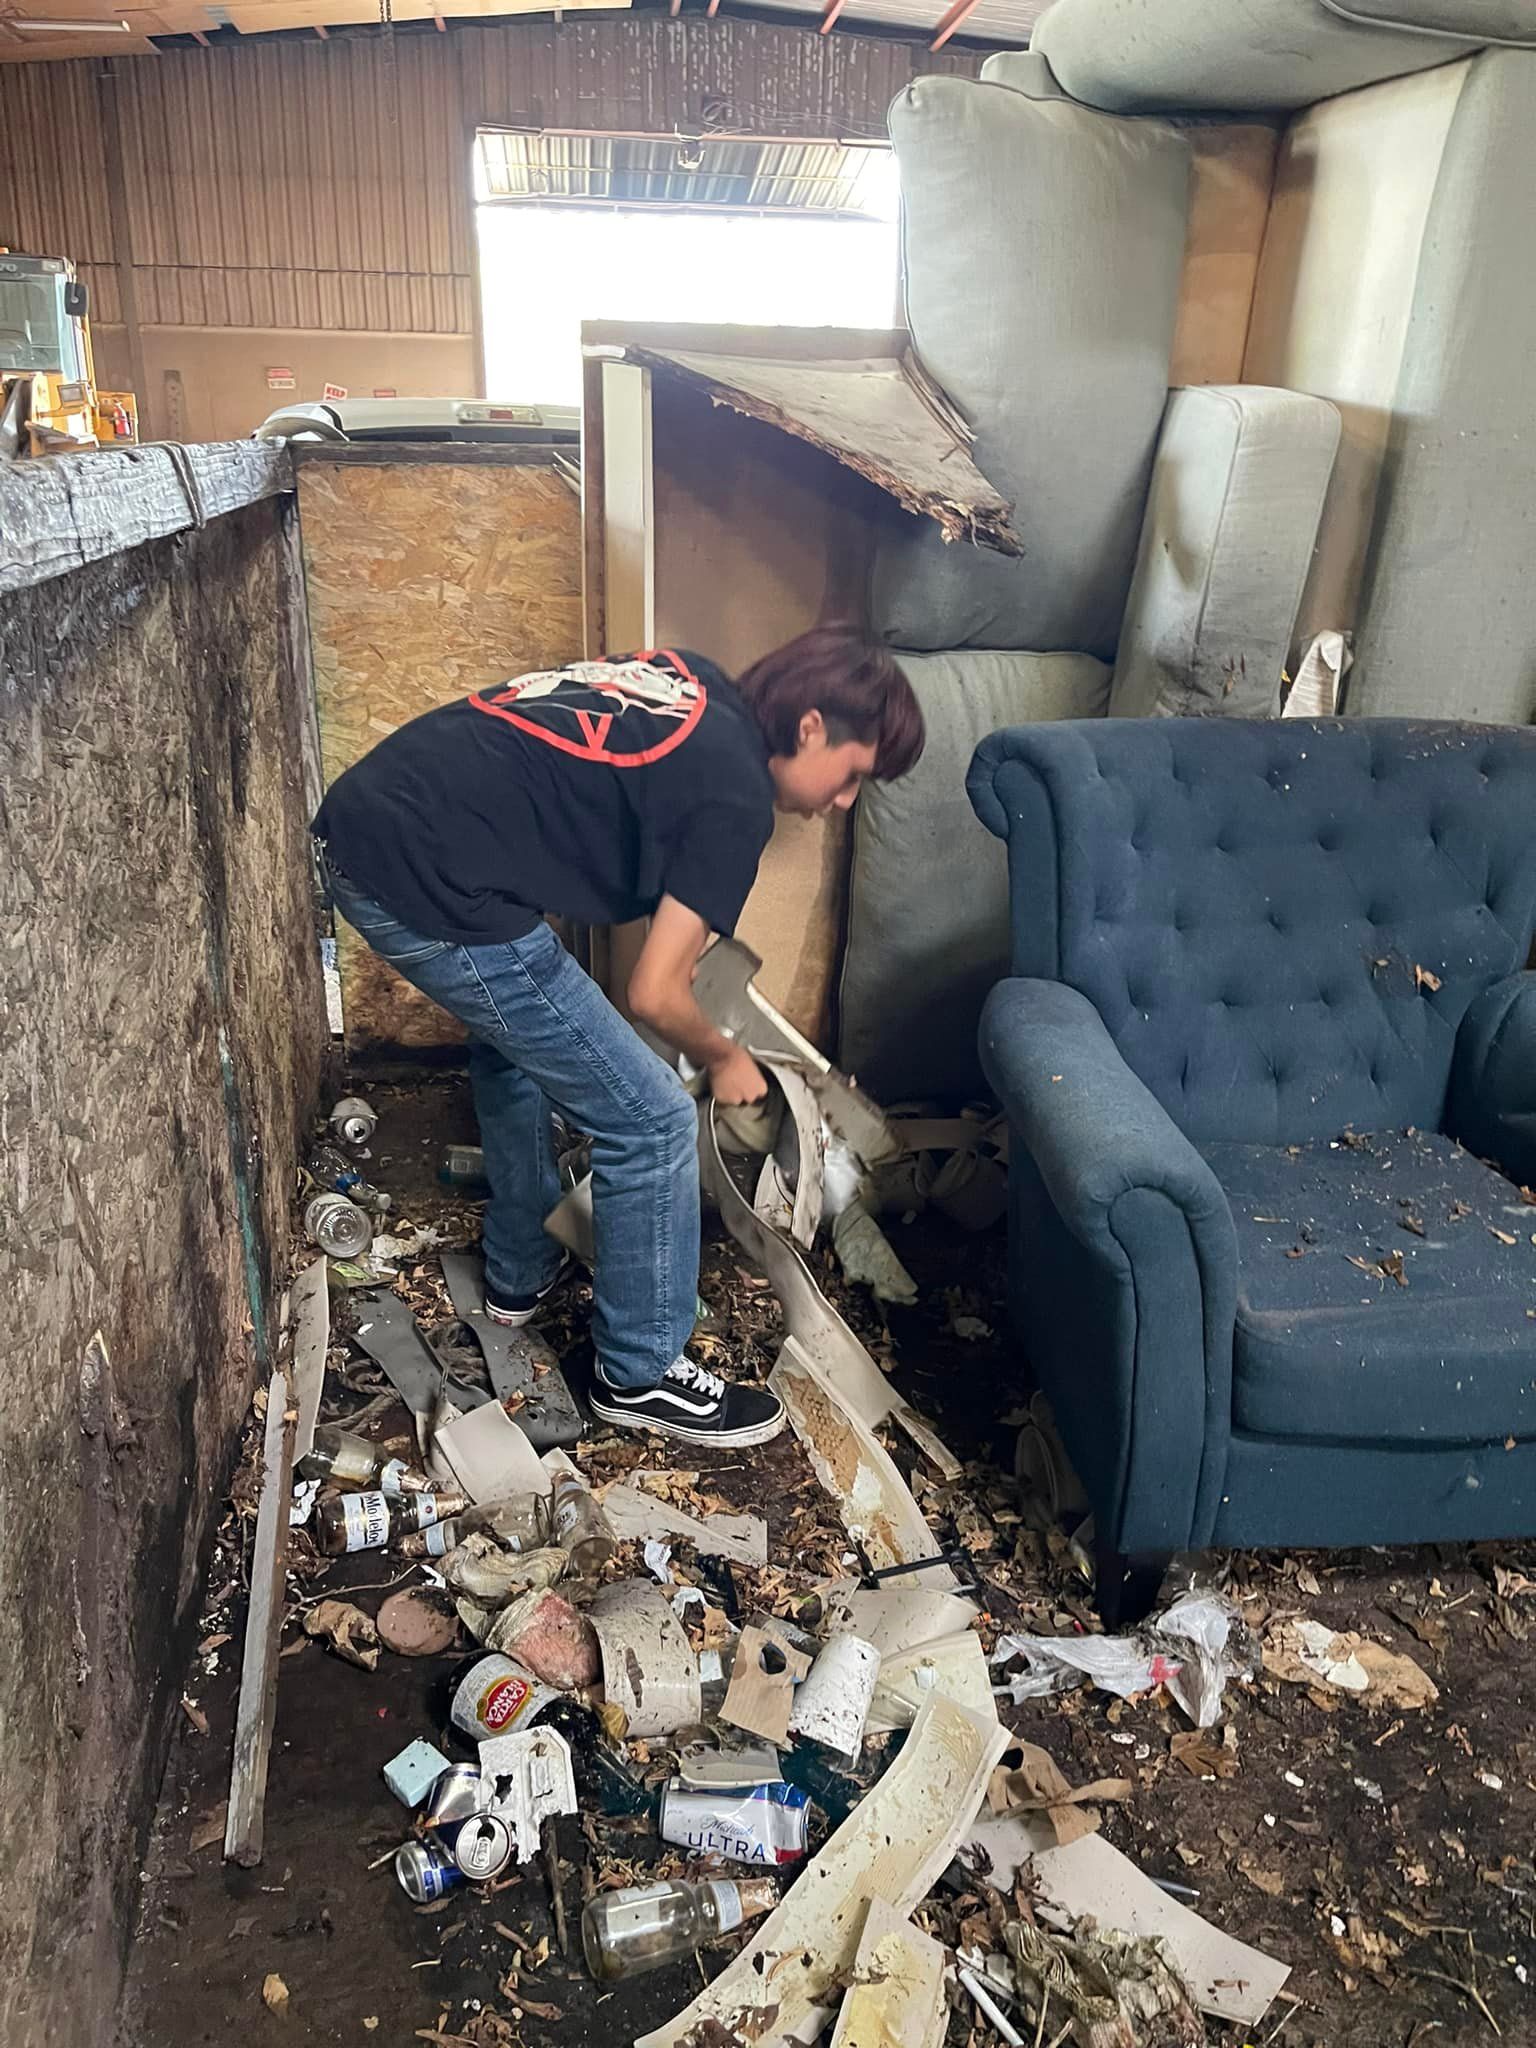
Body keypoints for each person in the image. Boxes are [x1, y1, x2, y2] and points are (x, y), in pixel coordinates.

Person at [312, 627, 924, 1448]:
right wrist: (724, 1055)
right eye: (853, 776)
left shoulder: (701, 682)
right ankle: (640, 1375)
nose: (844, 802)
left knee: (515, 1045)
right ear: (811, 727)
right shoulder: (734, 799)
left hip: (366, 826)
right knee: (652, 1120)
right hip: (422, 873)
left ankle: (519, 1274)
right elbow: (654, 991)